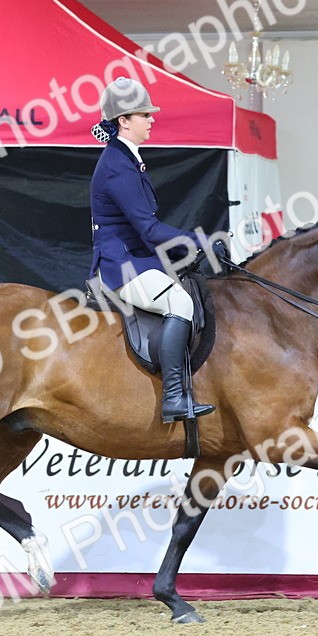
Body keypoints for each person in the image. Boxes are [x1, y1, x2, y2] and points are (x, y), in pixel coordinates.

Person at [88, 77, 225, 423]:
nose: (151, 120)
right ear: (123, 121)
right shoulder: (117, 165)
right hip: (121, 265)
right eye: (144, 115)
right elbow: (148, 229)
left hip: (137, 258)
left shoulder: (127, 158)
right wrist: (200, 242)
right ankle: (174, 398)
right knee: (180, 303)